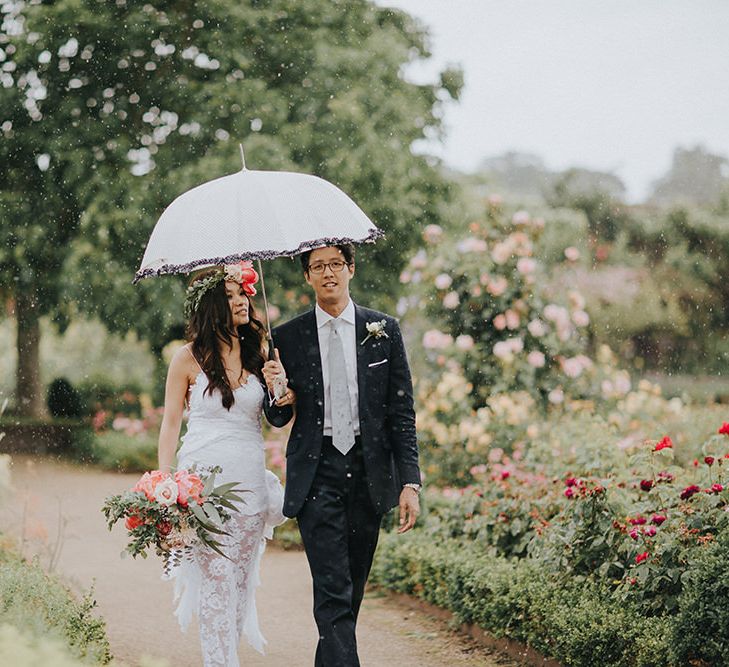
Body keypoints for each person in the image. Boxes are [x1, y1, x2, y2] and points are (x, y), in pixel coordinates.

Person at [263, 243, 421, 667]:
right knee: (332, 591)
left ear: (351, 269)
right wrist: (277, 388)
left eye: (336, 264)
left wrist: (410, 481)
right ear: (307, 277)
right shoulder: (287, 338)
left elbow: (400, 411)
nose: (328, 273)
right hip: (318, 473)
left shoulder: (382, 329)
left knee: (350, 589)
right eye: (318, 267)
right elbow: (277, 416)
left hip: (369, 472)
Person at [157, 261, 295, 667]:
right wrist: (165, 485)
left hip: (249, 485)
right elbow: (169, 425)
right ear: (211, 306)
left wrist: (280, 387)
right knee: (216, 580)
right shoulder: (186, 359)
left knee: (238, 582)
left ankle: (226, 656)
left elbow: (278, 415)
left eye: (242, 294)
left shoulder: (259, 352)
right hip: (203, 488)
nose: (241, 302)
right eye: (230, 296)